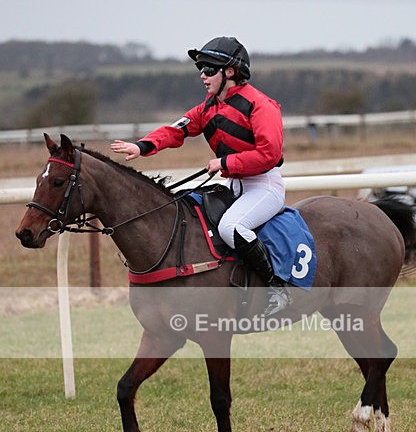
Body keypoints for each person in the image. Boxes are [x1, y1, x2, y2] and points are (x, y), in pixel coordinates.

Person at [110, 36, 291, 315]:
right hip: (234, 186)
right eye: (201, 69)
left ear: (229, 72)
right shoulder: (208, 107)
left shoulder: (261, 105)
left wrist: (225, 162)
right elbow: (176, 131)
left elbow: (270, 153)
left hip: (264, 186)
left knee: (231, 228)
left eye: (209, 69)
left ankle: (277, 289)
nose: (202, 75)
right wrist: (141, 146)